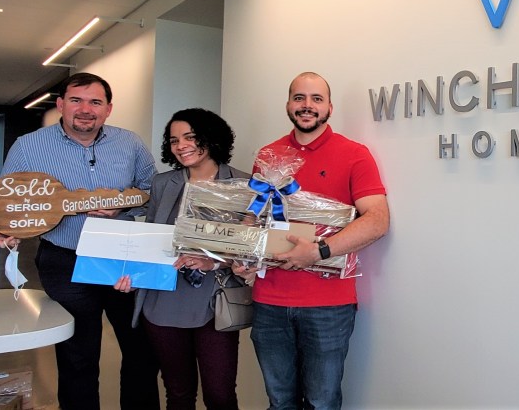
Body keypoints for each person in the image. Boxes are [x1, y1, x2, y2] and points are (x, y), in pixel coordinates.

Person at [0, 72, 160, 410]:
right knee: (77, 355)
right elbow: (7, 200)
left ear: (108, 109)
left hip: (123, 257)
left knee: (141, 349)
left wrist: (122, 205)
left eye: (95, 102)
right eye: (76, 100)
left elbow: (153, 190)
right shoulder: (29, 146)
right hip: (65, 260)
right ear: (61, 105)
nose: (85, 109)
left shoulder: (130, 143)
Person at [239, 71, 390, 410]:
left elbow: (378, 220)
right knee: (280, 401)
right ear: (288, 105)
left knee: (322, 402)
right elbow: (254, 217)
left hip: (328, 305)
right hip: (269, 301)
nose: (307, 105)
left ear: (329, 108)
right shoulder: (268, 155)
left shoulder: (354, 154)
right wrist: (244, 254)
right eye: (299, 98)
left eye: (316, 99)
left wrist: (318, 251)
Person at [114, 108, 248, 410]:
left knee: (220, 395)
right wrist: (133, 275)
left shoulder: (243, 183)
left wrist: (214, 261)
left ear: (211, 138)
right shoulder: (163, 183)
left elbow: (251, 248)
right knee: (178, 393)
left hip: (215, 300)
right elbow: (151, 238)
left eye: (190, 137)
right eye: (174, 140)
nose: (181, 146)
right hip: (163, 299)